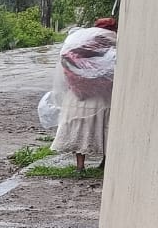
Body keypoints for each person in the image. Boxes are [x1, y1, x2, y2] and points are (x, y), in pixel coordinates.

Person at [50, 17, 116, 175]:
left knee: (79, 130)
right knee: (107, 128)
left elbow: (66, 61)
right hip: (103, 96)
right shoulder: (113, 40)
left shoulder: (80, 39)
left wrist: (76, 83)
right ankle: (105, 162)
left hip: (78, 95)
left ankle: (80, 167)